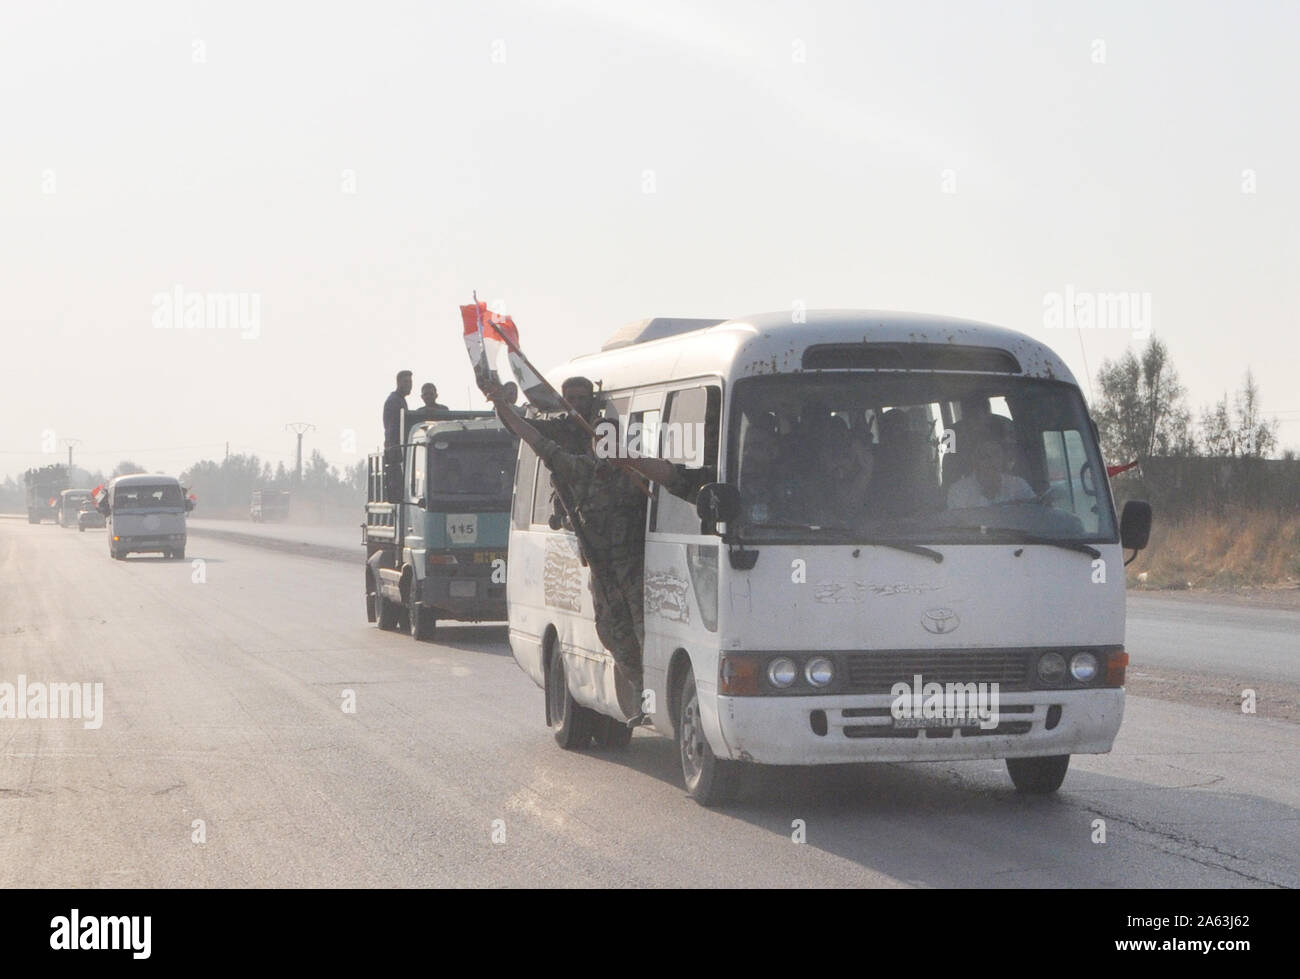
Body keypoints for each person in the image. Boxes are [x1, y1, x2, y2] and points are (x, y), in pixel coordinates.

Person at [484, 380, 708, 721]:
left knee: (645, 635)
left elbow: (675, 482)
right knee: (615, 635)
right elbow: (536, 440)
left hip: (635, 569)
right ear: (593, 444)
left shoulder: (637, 474)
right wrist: (503, 408)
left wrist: (636, 467)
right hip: (603, 572)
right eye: (600, 441)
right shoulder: (582, 471)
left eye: (611, 441)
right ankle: (639, 691)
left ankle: (649, 702)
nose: (605, 447)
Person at [946, 418, 1035, 508]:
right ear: (974, 460)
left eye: (995, 454)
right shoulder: (958, 492)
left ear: (1003, 457)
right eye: (984, 456)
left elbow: (1035, 515)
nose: (991, 461)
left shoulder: (1019, 487)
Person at [382, 370, 413, 503]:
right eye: (406, 382)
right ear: (398, 382)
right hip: (396, 452)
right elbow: (393, 430)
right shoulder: (394, 402)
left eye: (410, 382)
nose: (409, 385)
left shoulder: (399, 400)